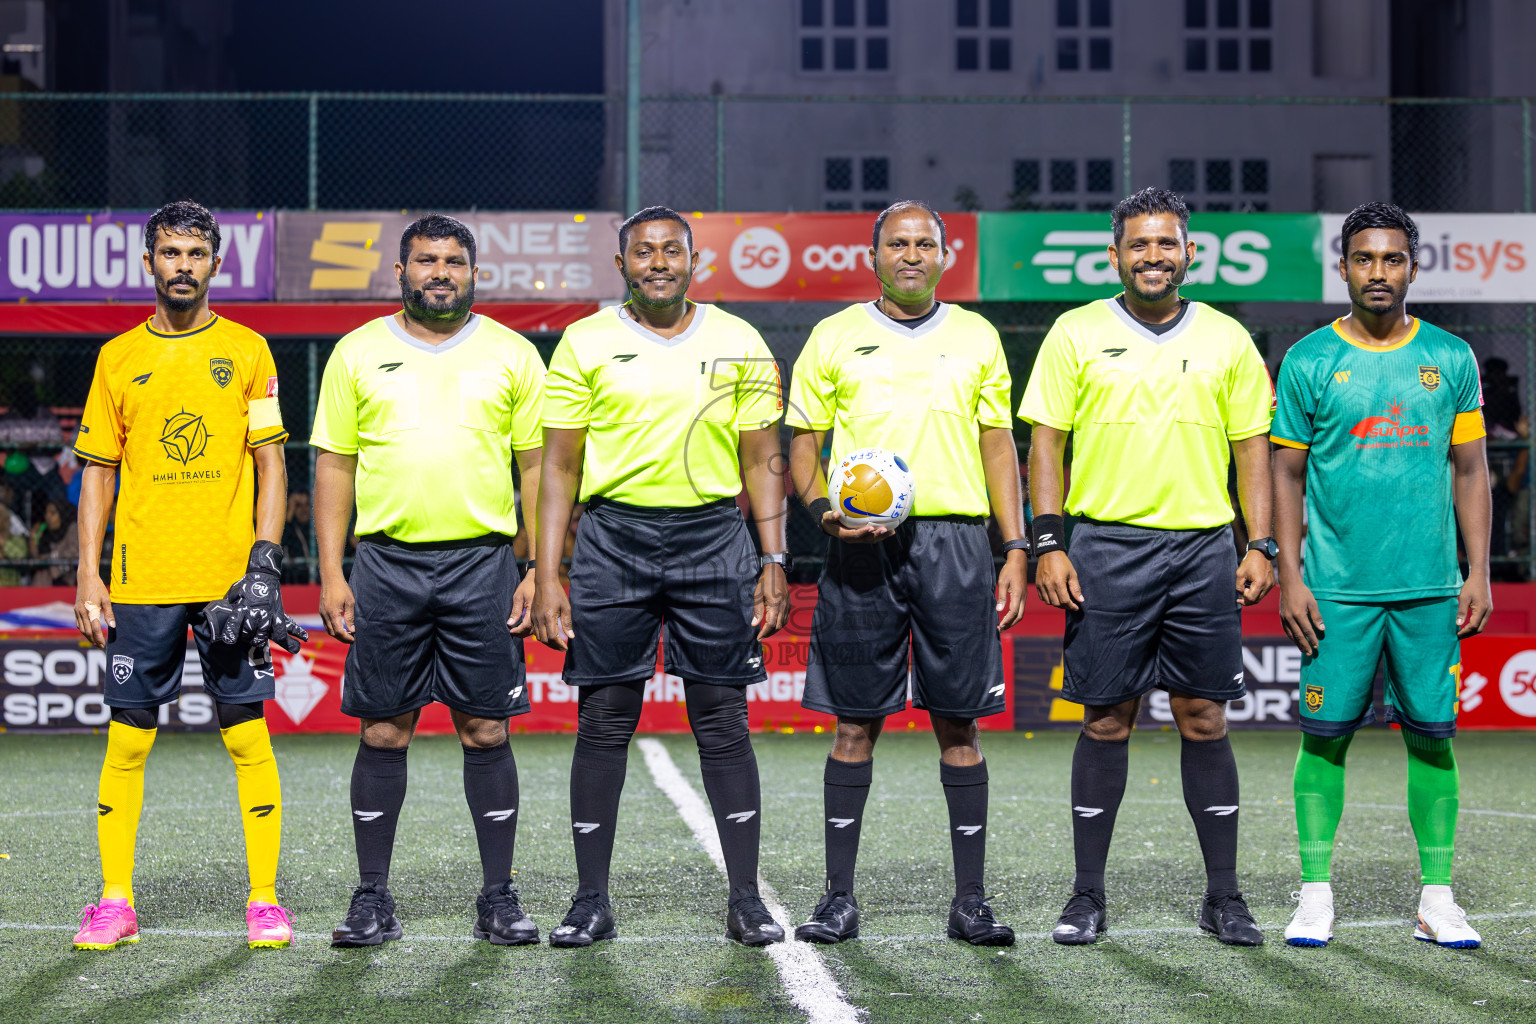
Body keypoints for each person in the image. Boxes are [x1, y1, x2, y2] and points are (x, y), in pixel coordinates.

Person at [1019, 187, 1276, 947]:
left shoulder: (1228, 338)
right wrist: (1048, 540)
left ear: (1190, 252)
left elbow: (1250, 449)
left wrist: (1257, 543)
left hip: (1202, 550)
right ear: (1116, 254)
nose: (1154, 257)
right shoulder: (1074, 332)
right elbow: (1046, 445)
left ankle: (1223, 897)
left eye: (1167, 244)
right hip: (1104, 548)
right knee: (1106, 719)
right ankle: (1086, 896)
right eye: (1140, 245)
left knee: (1204, 718)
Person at [532, 205, 789, 948]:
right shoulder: (585, 341)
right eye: (642, 252)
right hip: (613, 538)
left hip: (713, 537)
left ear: (693, 262)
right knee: (604, 719)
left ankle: (746, 900)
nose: (657, 263)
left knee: (722, 717)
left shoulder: (739, 340)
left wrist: (772, 559)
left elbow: (760, 461)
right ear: (622, 266)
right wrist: (547, 572)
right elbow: (560, 466)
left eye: (671, 251)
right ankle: (590, 901)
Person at [785, 199, 1027, 947]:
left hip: (955, 543)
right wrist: (826, 513)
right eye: (898, 243)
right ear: (874, 254)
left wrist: (1015, 546)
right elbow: (803, 442)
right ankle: (838, 899)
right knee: (854, 723)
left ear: (945, 257)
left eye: (926, 243)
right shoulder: (833, 337)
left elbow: (998, 448)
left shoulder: (978, 336)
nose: (912, 254)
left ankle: (971, 903)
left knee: (960, 723)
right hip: (859, 548)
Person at [69, 201, 303, 951]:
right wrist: (87, 575)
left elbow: (272, 463)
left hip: (228, 585)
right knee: (128, 739)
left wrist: (262, 564)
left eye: (195, 253)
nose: (182, 265)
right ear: (148, 262)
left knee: (246, 734)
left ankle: (264, 901)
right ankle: (114, 902)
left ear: (215, 263)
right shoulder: (115, 358)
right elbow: (98, 474)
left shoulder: (250, 350)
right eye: (169, 252)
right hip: (140, 582)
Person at [313, 214, 546, 948]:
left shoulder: (512, 353)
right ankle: (372, 899)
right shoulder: (357, 352)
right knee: (384, 729)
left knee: (486, 728)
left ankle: (499, 898)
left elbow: (537, 468)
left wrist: (537, 566)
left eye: (452, 261)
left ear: (473, 273)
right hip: (385, 565)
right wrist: (330, 571)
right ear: (401, 273)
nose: (439, 272)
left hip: (484, 563)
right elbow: (333, 465)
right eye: (425, 261)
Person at [1272, 202, 1492, 949]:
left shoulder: (1451, 358)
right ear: (1342, 267)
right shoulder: (1308, 360)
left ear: (1412, 266)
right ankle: (1314, 895)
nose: (1378, 272)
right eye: (1364, 259)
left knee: (1432, 738)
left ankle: (1437, 897)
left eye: (1392, 259)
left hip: (1430, 587)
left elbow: (1471, 470)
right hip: (1334, 590)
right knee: (1325, 738)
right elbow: (1286, 474)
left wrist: (1479, 569)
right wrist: (1290, 574)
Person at [30, 497, 78, 586]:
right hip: (42, 584)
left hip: (65, 582)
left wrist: (47, 558)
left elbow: (73, 553)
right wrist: (34, 537)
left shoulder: (72, 529)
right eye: (46, 512)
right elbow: (35, 558)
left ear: (63, 514)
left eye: (53, 513)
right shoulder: (44, 533)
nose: (47, 516)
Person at [281, 491, 311, 584]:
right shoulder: (293, 528)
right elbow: (283, 538)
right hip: (298, 576)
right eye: (298, 505)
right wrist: (290, 509)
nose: (303, 509)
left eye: (307, 504)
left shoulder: (317, 527)